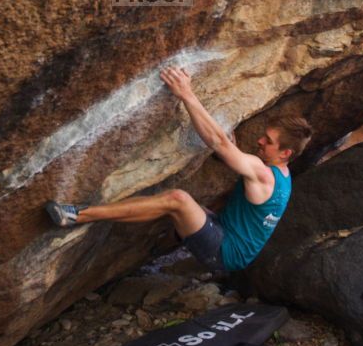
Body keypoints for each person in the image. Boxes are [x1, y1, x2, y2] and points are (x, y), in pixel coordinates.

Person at [45, 65, 313, 272]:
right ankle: (162, 240)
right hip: (227, 235)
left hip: (224, 253)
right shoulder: (280, 175)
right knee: (173, 200)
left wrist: (186, 92)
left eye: (269, 141)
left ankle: (79, 215)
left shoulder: (262, 173)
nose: (260, 141)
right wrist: (232, 153)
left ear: (285, 153)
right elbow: (240, 161)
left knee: (178, 200)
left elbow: (219, 142)